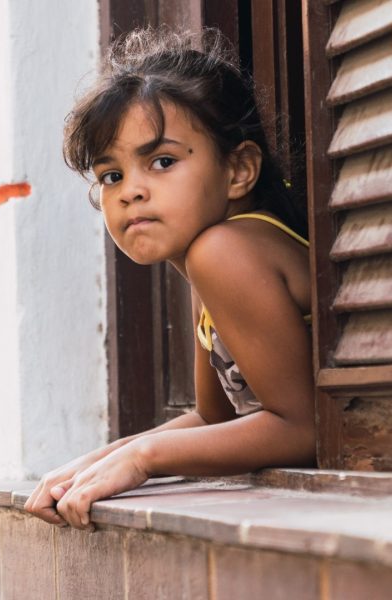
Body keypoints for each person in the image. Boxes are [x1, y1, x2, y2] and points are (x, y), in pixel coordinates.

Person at [25, 27, 315, 530]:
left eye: (162, 162)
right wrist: (100, 460)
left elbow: (303, 427)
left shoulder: (224, 250)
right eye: (111, 174)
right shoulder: (207, 258)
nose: (130, 191)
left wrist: (145, 459)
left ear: (240, 170)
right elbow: (216, 419)